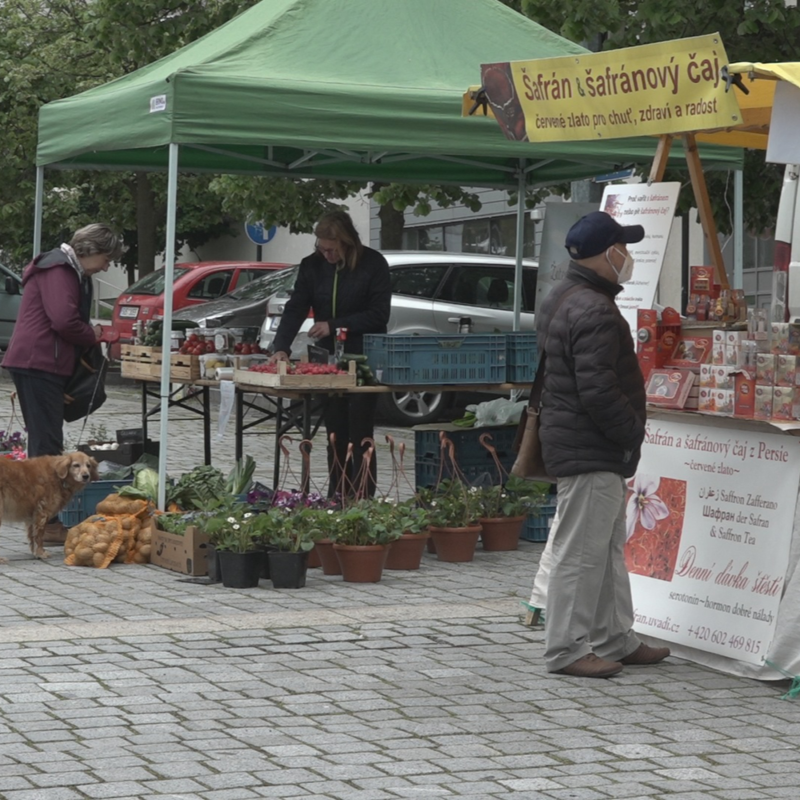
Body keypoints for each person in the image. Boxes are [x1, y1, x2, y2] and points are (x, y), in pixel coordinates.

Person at [536, 210, 670, 678]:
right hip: (589, 445)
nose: (628, 256)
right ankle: (566, 650)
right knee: (581, 554)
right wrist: (632, 430)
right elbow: (596, 389)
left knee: (606, 547)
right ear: (606, 254)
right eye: (622, 248)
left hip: (582, 441)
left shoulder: (566, 295)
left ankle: (616, 637)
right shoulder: (593, 306)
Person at [2, 223, 123, 541]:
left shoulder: (69, 270)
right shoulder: (59, 269)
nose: (108, 265)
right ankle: (47, 521)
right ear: (91, 250)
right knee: (47, 445)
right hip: (39, 360)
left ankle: (42, 518)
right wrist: (93, 334)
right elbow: (63, 319)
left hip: (41, 361)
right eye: (107, 257)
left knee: (46, 440)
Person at [269, 211, 391, 497]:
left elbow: (379, 314)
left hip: (363, 358)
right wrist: (281, 347)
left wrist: (334, 325)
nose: (326, 254)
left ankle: (362, 497)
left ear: (347, 243)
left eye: (332, 249)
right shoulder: (312, 266)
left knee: (361, 432)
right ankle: (338, 495)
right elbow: (296, 307)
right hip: (327, 362)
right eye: (321, 248)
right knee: (334, 430)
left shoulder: (373, 264)